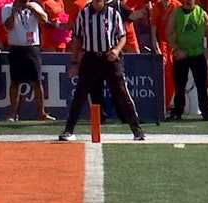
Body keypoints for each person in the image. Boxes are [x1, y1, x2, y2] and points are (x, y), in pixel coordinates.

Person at [58, 0, 145, 140]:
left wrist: (116, 50)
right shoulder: (84, 14)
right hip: (90, 57)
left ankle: (137, 130)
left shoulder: (113, 13)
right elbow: (77, 38)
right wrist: (74, 61)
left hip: (109, 57)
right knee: (80, 94)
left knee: (122, 93)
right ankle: (69, 130)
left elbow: (122, 36)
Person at [3, 0, 55, 121]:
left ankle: (41, 113)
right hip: (16, 48)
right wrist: (15, 11)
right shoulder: (7, 7)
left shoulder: (35, 6)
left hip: (32, 48)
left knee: (37, 81)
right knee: (15, 82)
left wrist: (31, 8)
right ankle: (13, 113)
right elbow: (8, 26)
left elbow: (43, 20)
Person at [167, 0, 208, 120]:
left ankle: (206, 111)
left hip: (197, 54)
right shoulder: (176, 13)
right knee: (179, 85)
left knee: (201, 85)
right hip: (181, 54)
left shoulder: (201, 13)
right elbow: (168, 33)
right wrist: (177, 49)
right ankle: (178, 111)